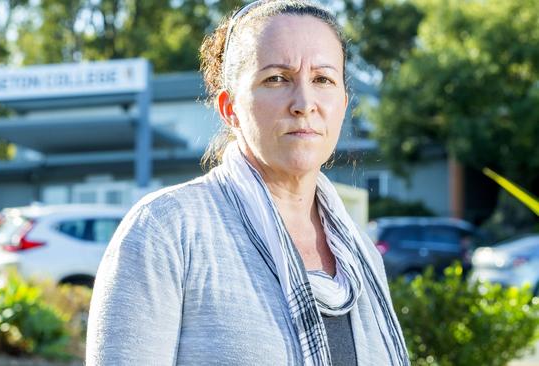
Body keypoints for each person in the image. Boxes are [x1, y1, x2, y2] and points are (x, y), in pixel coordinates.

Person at [86, 1, 409, 365]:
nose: (304, 103)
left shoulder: (360, 253)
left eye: (322, 79)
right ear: (230, 108)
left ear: (343, 103)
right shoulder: (165, 231)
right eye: (276, 79)